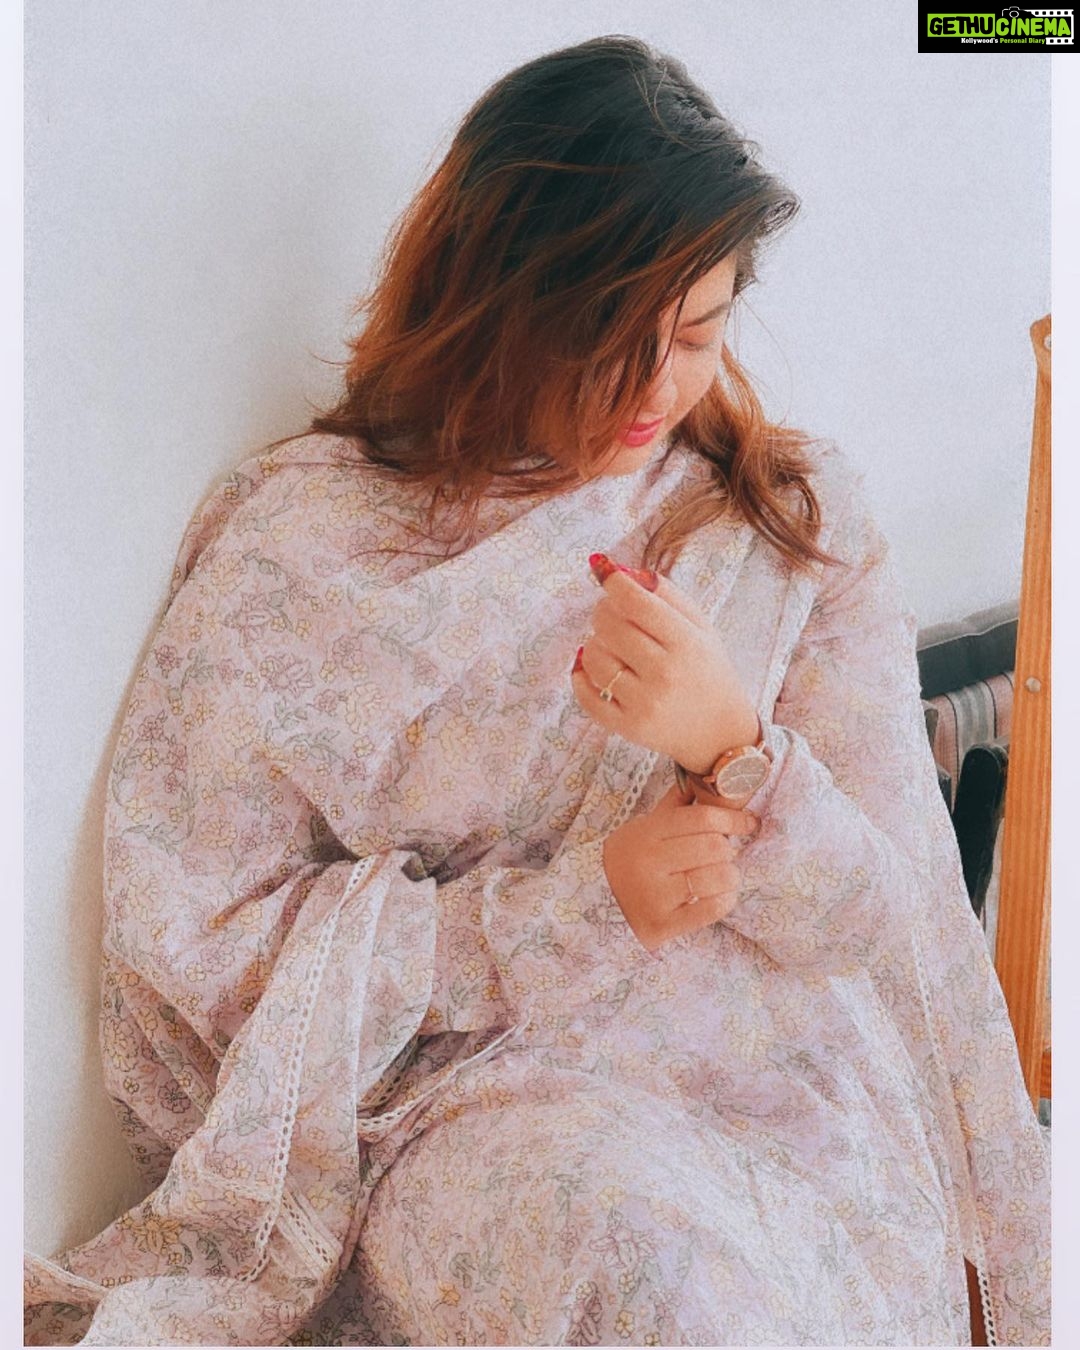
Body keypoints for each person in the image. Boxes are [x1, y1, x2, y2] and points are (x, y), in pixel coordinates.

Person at [24, 34, 1048, 1348]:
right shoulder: (303, 552)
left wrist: (735, 743)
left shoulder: (784, 521)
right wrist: (577, 910)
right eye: (608, 338)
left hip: (781, 1091)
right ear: (497, 299)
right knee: (663, 1285)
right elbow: (199, 950)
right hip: (459, 1109)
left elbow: (886, 926)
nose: (655, 389)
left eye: (697, 333)